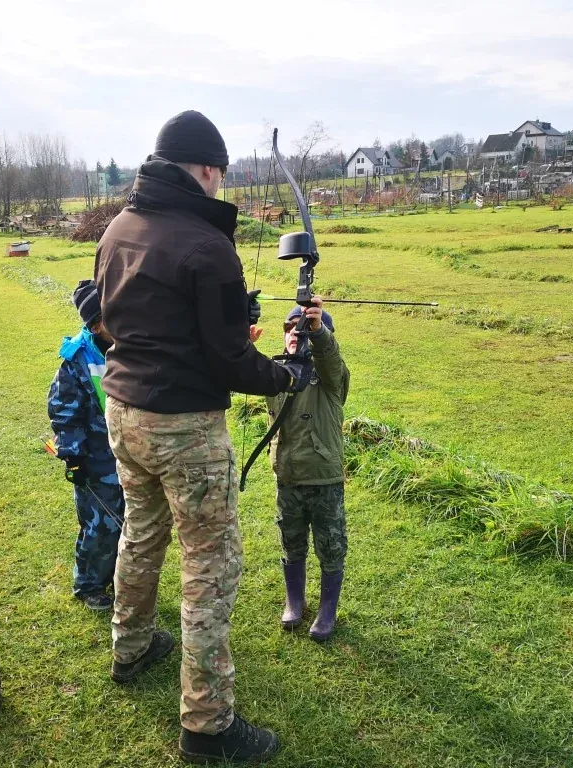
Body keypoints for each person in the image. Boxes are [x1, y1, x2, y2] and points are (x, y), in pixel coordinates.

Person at [95, 110, 308, 764]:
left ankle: (130, 646)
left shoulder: (118, 228)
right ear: (209, 170)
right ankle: (207, 723)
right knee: (210, 563)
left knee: (142, 528)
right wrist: (286, 375)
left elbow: (110, 321)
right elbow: (225, 360)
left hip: (124, 412)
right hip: (183, 427)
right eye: (222, 173)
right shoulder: (206, 244)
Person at [266, 298, 350, 641]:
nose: (293, 335)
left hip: (324, 477)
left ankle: (327, 610)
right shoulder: (275, 372)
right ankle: (295, 602)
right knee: (291, 539)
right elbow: (239, 372)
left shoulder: (331, 378)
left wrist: (319, 333)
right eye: (289, 329)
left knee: (330, 544)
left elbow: (329, 359)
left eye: (301, 329)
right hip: (288, 476)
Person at [47, 279, 124, 612]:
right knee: (99, 525)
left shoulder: (133, 344)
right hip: (95, 458)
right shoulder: (77, 359)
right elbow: (64, 413)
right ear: (95, 323)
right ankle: (89, 584)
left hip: (131, 454)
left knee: (128, 524)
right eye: (111, 315)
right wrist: (74, 458)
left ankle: (121, 580)